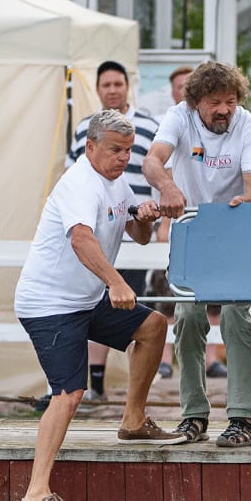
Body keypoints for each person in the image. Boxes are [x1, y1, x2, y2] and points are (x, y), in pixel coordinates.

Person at [14, 110, 184, 501]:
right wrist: (116, 282)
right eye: (114, 150)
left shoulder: (117, 182)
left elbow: (138, 237)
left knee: (153, 326)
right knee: (69, 393)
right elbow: (81, 239)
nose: (123, 157)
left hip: (84, 300)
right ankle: (36, 493)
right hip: (49, 306)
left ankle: (134, 421)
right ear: (90, 147)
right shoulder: (80, 184)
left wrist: (145, 217)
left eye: (127, 150)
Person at [145, 61, 251, 447]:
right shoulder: (178, 117)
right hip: (191, 227)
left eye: (230, 101)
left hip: (233, 227)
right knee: (186, 316)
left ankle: (243, 416)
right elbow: (153, 160)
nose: (224, 110)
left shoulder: (249, 125)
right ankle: (194, 413)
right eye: (215, 102)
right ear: (195, 101)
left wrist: (248, 198)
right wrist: (167, 187)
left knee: (235, 317)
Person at [71, 60, 167, 395]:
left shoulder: (150, 125)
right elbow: (73, 175)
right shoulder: (85, 127)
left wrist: (155, 216)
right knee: (95, 300)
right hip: (93, 232)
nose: (112, 90)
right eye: (106, 85)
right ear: (98, 89)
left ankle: (135, 388)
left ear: (128, 87)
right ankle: (93, 383)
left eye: (118, 84)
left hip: (132, 223)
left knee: (130, 306)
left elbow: (157, 174)